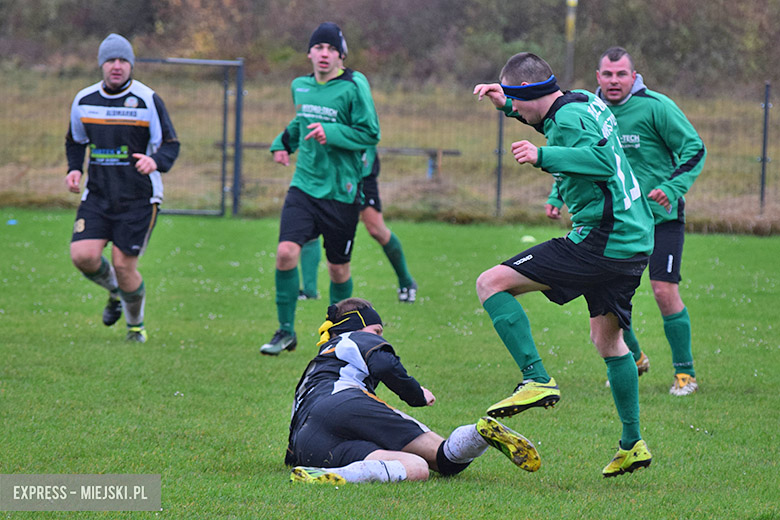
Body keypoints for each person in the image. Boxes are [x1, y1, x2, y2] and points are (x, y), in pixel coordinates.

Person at [473, 52, 654, 477]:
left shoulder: (568, 119)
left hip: (602, 237)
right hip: (632, 239)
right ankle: (632, 443)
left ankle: (536, 378)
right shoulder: (580, 101)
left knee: (491, 283)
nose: (517, 113)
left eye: (515, 101)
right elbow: (551, 121)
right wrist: (506, 104)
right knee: (608, 342)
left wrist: (542, 157)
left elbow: (601, 162)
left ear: (528, 91)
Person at [549, 47, 706, 397]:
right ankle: (633, 358)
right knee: (604, 292)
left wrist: (672, 187)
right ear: (598, 77)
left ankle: (685, 373)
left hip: (661, 217)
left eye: (621, 74)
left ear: (634, 76)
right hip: (618, 222)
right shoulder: (590, 110)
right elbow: (577, 155)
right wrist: (556, 195)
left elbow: (694, 148)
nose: (614, 80)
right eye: (608, 74)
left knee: (663, 290)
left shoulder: (656, 107)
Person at [286, 297, 541, 484]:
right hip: (347, 402)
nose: (379, 336)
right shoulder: (353, 337)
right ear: (357, 325)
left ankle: (333, 475)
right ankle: (479, 435)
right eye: (377, 331)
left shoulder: (314, 368)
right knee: (445, 459)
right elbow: (384, 364)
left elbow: (293, 440)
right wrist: (416, 394)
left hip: (307, 443)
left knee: (415, 468)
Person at [261, 22, 380, 355]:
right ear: (309, 53)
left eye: (331, 49)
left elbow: (371, 134)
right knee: (286, 253)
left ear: (341, 55)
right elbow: (302, 121)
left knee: (338, 269)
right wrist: (282, 143)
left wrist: (333, 133)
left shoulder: (354, 85)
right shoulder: (300, 86)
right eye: (318, 47)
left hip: (342, 191)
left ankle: (340, 337)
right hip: (305, 186)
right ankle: (285, 332)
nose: (324, 54)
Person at [65, 33, 180, 343]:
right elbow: (75, 140)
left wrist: (155, 161)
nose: (117, 66)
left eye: (123, 60)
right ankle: (116, 291)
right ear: (101, 64)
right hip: (98, 195)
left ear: (131, 64)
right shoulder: (84, 100)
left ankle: (135, 327)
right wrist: (74, 169)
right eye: (111, 60)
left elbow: (171, 144)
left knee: (123, 265)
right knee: (83, 256)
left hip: (139, 198)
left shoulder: (147, 99)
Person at [297, 148, 418, 303]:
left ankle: (406, 282)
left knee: (375, 229)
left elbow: (367, 136)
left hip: (360, 171)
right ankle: (309, 291)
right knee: (311, 223)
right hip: (328, 171)